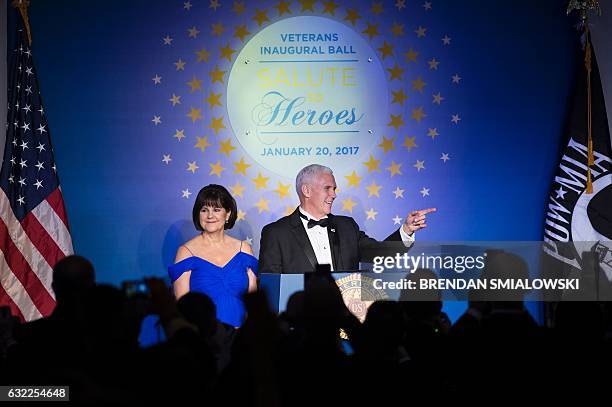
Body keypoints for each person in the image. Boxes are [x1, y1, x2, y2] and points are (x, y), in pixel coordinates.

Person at [259, 164, 436, 274]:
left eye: (334, 189)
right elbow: (271, 287)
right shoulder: (276, 233)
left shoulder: (347, 227)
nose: (334, 195)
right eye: (327, 188)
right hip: (300, 328)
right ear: (306, 191)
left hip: (345, 323)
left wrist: (405, 230)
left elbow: (379, 254)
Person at [169, 184, 257, 327]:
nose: (210, 216)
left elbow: (254, 304)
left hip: (242, 339)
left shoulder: (244, 250)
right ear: (198, 214)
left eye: (216, 210)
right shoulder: (186, 252)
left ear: (227, 214)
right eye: (204, 210)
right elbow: (183, 307)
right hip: (205, 340)